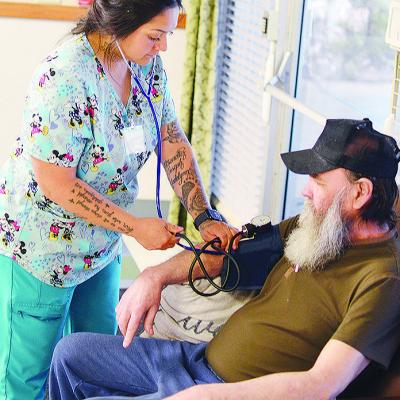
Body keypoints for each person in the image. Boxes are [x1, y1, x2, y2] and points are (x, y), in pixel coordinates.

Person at [49, 118, 400, 400]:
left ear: (360, 193)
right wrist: (155, 276)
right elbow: (229, 258)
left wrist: (208, 396)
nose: (305, 190)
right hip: (195, 361)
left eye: (319, 181)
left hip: (224, 390)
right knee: (70, 354)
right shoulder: (318, 226)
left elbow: (320, 386)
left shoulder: (382, 280)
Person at [0, 1, 238, 398]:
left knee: (91, 363)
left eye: (168, 35)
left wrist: (204, 215)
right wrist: (135, 227)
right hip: (41, 251)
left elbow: (172, 140)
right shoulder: (64, 76)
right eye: (155, 35)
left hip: (102, 247)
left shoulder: (144, 66)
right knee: (28, 382)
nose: (163, 47)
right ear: (119, 22)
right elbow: (56, 182)